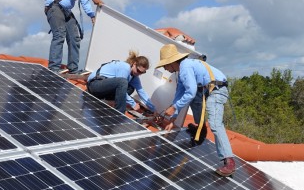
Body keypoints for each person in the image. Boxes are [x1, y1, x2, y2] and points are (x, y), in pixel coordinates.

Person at [155, 44, 236, 177]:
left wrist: (174, 107)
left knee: (215, 124)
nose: (164, 68)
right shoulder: (180, 72)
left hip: (218, 90)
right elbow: (179, 95)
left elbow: (190, 92)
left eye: (165, 65)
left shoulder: (185, 67)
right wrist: (173, 118)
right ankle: (201, 128)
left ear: (171, 62)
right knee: (191, 98)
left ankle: (229, 161)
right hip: (209, 89)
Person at [86, 50, 156, 114]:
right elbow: (121, 85)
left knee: (131, 88)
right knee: (123, 83)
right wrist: (133, 104)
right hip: (94, 85)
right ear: (134, 64)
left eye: (142, 73)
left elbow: (141, 91)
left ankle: (109, 101)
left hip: (102, 90)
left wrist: (153, 109)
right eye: (138, 71)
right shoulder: (125, 68)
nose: (139, 74)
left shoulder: (134, 75)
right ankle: (119, 113)